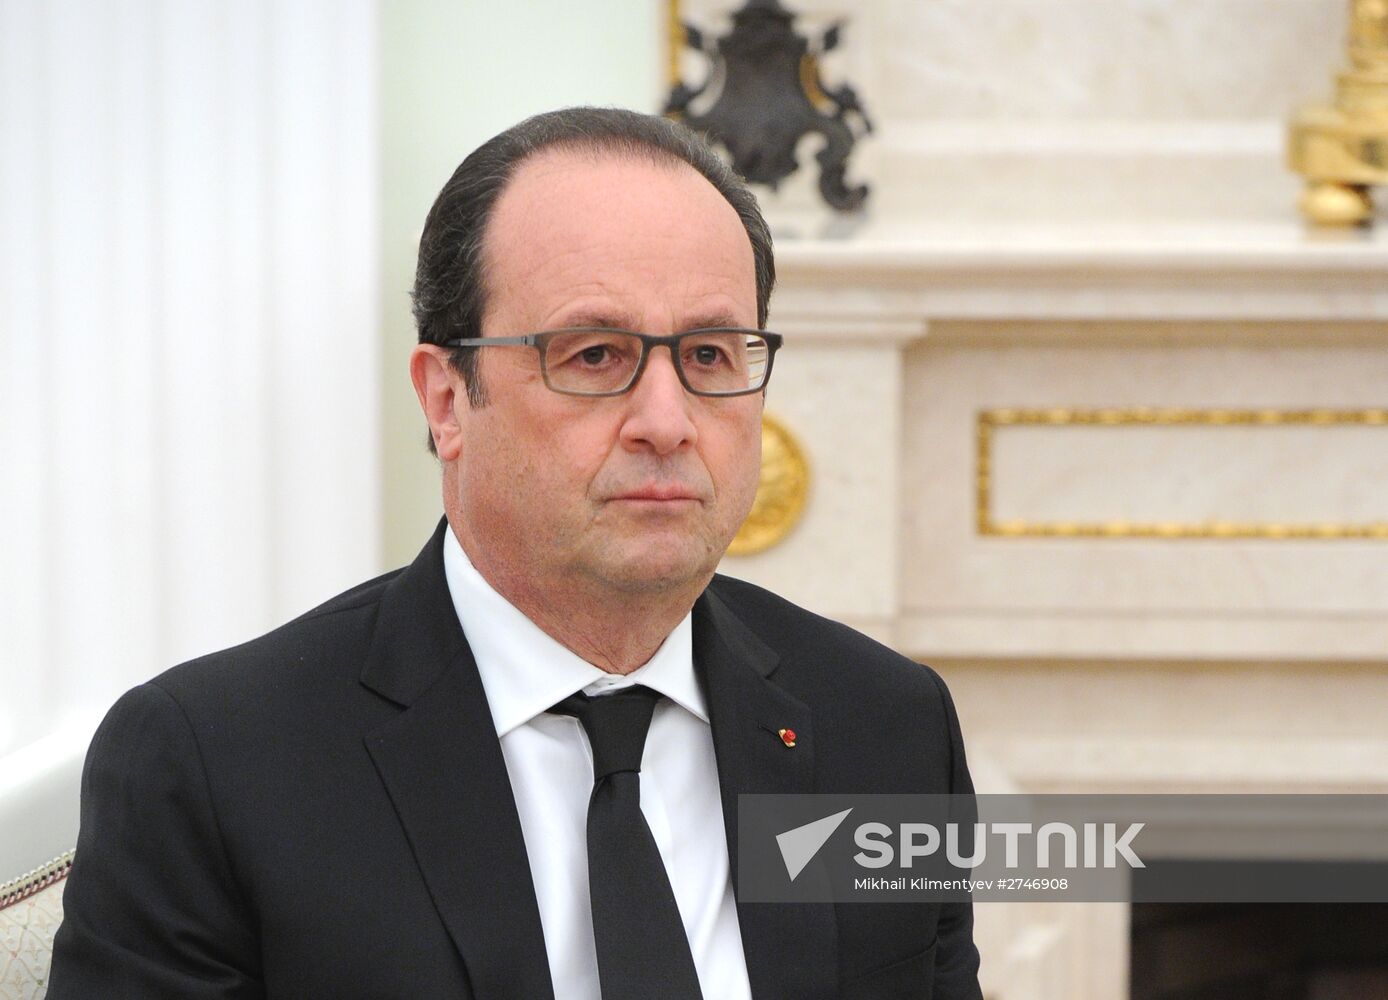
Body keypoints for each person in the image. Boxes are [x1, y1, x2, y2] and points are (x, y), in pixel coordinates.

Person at [48, 107, 982, 999]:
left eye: (708, 356)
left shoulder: (886, 728)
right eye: (593, 356)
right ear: (448, 399)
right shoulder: (214, 767)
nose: (668, 423)